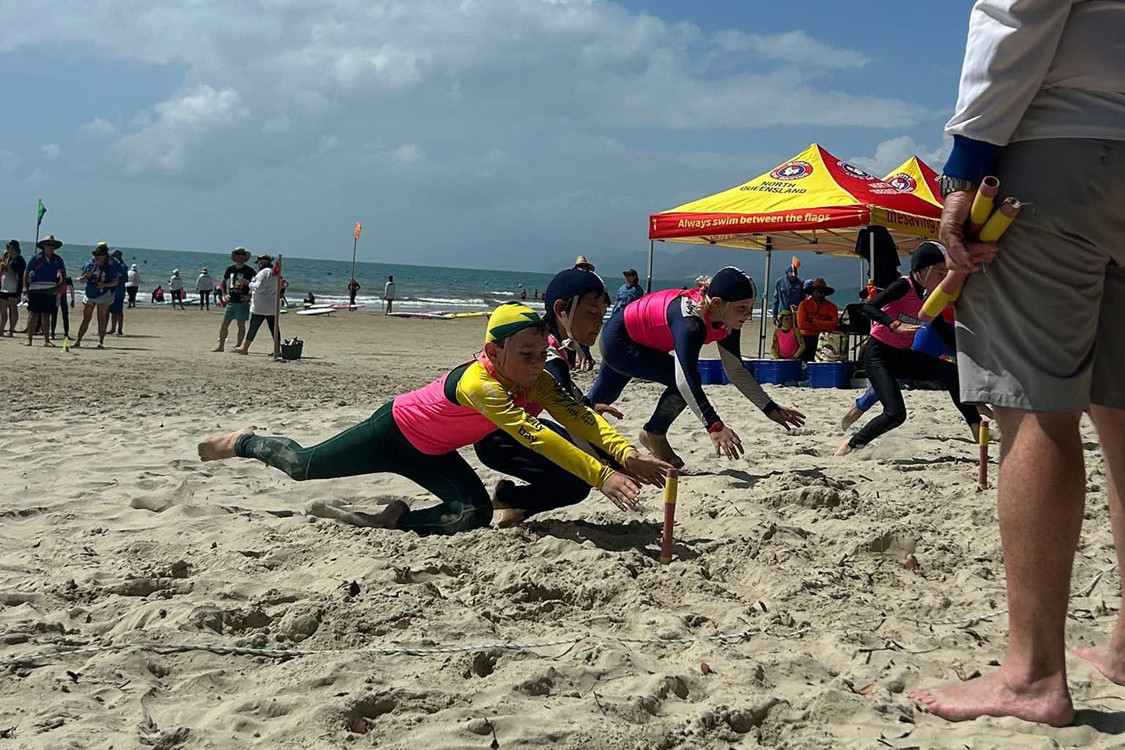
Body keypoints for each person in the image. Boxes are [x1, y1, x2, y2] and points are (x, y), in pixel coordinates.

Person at [908, 0, 1125, 727]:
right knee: (1123, 415)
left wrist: (967, 159)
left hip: (1057, 145)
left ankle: (1032, 675)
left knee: (1035, 408)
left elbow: (1019, 9)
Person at [198, 303, 670, 534]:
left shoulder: (537, 379)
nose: (536, 364)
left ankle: (391, 521)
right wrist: (603, 475)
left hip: (434, 453)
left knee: (472, 515)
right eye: (525, 354)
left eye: (541, 353)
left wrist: (625, 453)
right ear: (493, 351)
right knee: (302, 466)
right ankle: (244, 441)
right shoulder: (478, 385)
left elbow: (582, 420)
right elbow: (539, 438)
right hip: (391, 433)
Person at [587, 267, 806, 469]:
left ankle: (591, 441)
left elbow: (735, 370)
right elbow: (685, 379)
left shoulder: (727, 319)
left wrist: (769, 408)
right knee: (681, 383)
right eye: (742, 308)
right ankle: (653, 433)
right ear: (718, 303)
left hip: (632, 337)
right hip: (619, 341)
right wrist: (715, 426)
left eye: (751, 307)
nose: (748, 316)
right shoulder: (691, 322)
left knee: (591, 404)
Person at [476, 269, 643, 528]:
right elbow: (573, 420)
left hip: (514, 429)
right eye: (591, 313)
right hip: (497, 439)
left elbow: (567, 399)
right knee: (576, 484)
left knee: (573, 473)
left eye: (602, 315)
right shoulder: (548, 354)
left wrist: (590, 406)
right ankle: (509, 499)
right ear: (561, 308)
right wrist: (613, 468)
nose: (599, 323)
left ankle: (513, 502)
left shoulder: (557, 347)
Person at [837, 242, 981, 455]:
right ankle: (851, 445)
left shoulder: (930, 296)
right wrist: (893, 324)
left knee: (951, 372)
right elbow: (868, 307)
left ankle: (976, 428)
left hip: (902, 356)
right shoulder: (904, 286)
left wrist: (965, 352)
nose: (943, 280)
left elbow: (940, 327)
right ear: (923, 271)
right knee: (895, 414)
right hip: (878, 355)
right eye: (939, 273)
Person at [73, 243, 120, 349]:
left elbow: (115, 281)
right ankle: (78, 341)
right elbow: (82, 280)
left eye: (99, 255)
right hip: (90, 293)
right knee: (86, 318)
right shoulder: (90, 264)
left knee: (101, 318)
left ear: (104, 256)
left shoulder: (110, 265)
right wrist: (86, 275)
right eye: (95, 255)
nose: (97, 257)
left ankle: (101, 341)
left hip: (103, 294)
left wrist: (104, 285)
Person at [232, 254, 279, 356]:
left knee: (253, 327)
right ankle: (277, 349)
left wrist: (249, 284)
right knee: (274, 328)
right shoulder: (275, 273)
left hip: (260, 305)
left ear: (261, 263)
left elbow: (259, 287)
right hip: (272, 305)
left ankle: (244, 348)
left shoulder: (263, 273)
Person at [22, 235, 65, 347]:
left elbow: (63, 273)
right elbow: (26, 272)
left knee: (46, 316)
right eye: (48, 245)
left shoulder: (58, 259)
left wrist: (60, 285)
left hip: (51, 290)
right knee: (33, 315)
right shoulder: (36, 258)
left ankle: (46, 340)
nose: (50, 247)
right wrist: (25, 287)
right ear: (43, 246)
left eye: (52, 245)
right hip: (36, 289)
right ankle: (29, 339)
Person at [214, 248, 255, 352]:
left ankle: (238, 346)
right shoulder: (230, 269)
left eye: (242, 254)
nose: (240, 256)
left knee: (240, 324)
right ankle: (221, 346)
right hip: (231, 301)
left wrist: (249, 296)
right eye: (238, 254)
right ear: (235, 257)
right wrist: (224, 294)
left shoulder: (249, 271)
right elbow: (223, 281)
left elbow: (257, 285)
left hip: (242, 302)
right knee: (224, 324)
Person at [795, 278, 839, 362]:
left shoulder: (832, 306)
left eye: (821, 292)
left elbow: (834, 325)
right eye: (817, 292)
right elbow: (802, 324)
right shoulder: (803, 305)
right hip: (806, 339)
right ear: (812, 292)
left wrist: (814, 321)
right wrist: (825, 324)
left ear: (825, 293)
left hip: (825, 339)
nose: (819, 294)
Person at [0, 240, 26, 337]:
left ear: (15, 249)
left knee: (13, 308)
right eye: (7, 248)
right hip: (3, 286)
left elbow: (19, 271)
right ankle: (1, 329)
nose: (9, 250)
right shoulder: (6, 258)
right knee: (2, 310)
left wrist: (8, 266)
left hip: (13, 287)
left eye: (10, 248)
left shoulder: (19, 259)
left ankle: (11, 330)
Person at [107, 247, 128, 335]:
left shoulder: (122, 266)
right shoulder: (121, 265)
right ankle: (113, 328)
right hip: (116, 290)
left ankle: (119, 329)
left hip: (118, 291)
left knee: (118, 311)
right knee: (113, 311)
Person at [51, 275, 73, 340]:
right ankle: (53, 333)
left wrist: (73, 299)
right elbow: (71, 288)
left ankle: (65, 334)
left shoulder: (66, 278)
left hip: (60, 296)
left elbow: (71, 288)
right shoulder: (57, 277)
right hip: (57, 296)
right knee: (56, 315)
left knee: (63, 315)